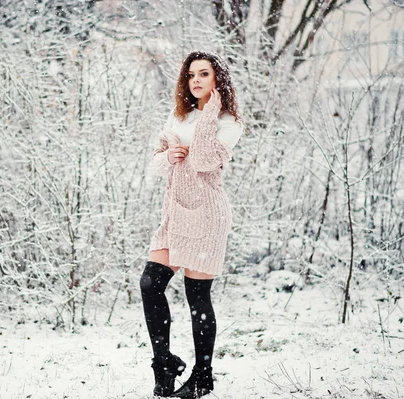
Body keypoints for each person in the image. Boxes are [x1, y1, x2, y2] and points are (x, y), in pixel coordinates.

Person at [139, 51, 245, 398]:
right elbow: (155, 164)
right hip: (174, 213)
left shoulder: (229, 122)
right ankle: (164, 363)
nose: (196, 80)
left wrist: (210, 114)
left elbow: (201, 161)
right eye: (191, 75)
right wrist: (167, 156)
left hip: (206, 215)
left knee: (196, 296)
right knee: (150, 283)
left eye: (204, 74)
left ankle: (202, 376)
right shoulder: (178, 114)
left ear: (218, 81)